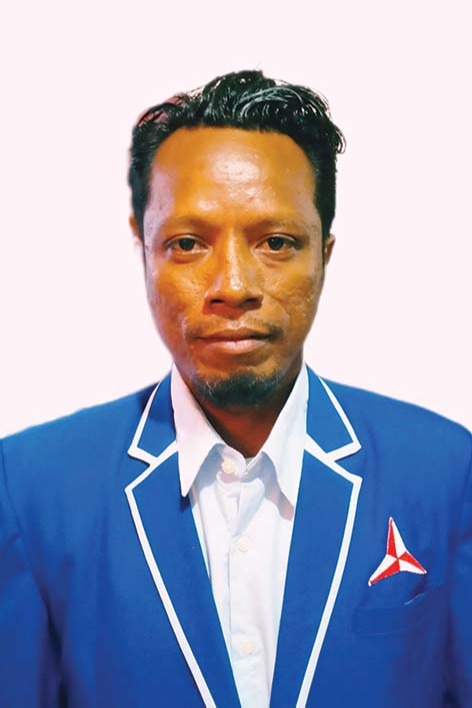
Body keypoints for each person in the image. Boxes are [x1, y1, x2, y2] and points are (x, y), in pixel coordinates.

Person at [0, 70, 470, 708]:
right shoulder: (32, 489)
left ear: (324, 254)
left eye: (276, 242)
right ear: (144, 251)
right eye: (188, 243)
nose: (234, 286)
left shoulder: (445, 472)